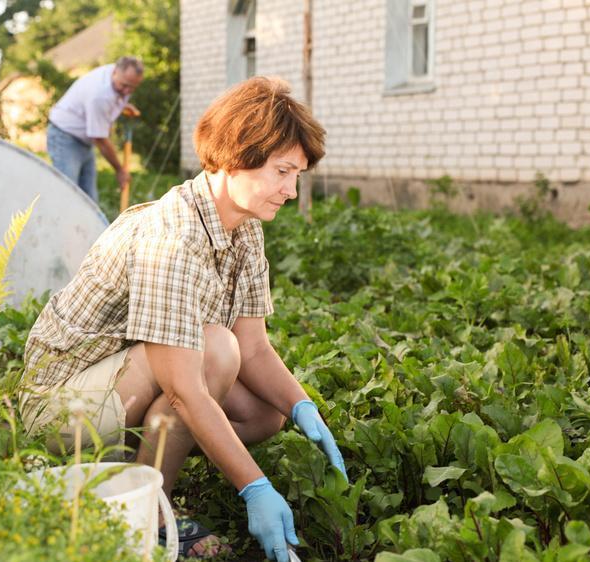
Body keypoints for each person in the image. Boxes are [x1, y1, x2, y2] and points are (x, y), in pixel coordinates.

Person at [21, 77, 347, 562]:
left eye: (296, 175)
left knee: (264, 413)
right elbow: (183, 389)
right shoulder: (169, 237)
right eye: (282, 171)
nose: (290, 190)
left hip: (126, 385)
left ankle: (130, 472)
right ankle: (149, 516)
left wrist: (304, 408)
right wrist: (253, 486)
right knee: (214, 350)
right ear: (237, 155)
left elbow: (254, 348)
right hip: (63, 405)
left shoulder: (245, 230)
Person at [46, 56, 143, 202]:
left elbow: (115, 97)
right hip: (64, 138)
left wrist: (121, 105)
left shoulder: (116, 77)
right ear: (116, 71)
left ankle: (87, 225)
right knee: (67, 194)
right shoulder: (99, 95)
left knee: (89, 199)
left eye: (132, 88)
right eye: (124, 85)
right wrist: (120, 170)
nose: (127, 91)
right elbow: (100, 139)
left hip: (84, 140)